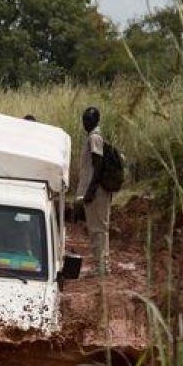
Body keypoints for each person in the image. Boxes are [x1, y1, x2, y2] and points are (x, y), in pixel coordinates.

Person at [77, 107, 110, 277]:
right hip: (95, 190)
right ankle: (101, 265)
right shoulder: (92, 137)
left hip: (96, 191)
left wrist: (90, 190)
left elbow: (98, 165)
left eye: (88, 120)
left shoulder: (94, 138)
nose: (85, 123)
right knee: (97, 227)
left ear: (95, 121)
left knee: (98, 228)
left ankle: (102, 266)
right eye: (84, 119)